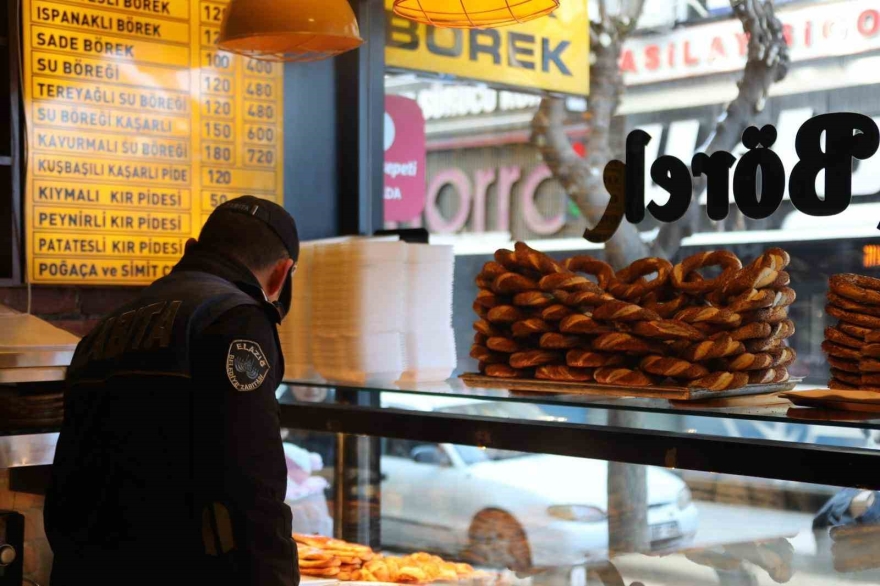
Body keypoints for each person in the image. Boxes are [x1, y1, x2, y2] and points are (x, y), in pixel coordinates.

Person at [44, 196, 301, 586]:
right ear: (281, 276)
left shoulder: (105, 328)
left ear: (190, 250)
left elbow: (67, 478)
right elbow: (253, 486)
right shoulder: (235, 320)